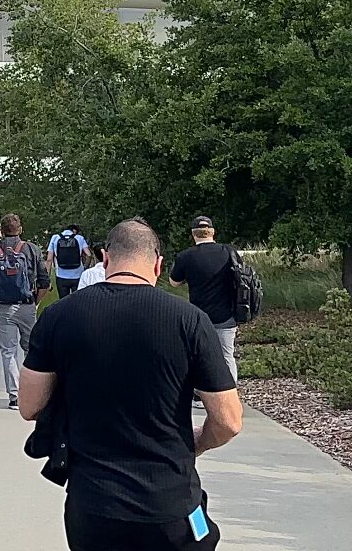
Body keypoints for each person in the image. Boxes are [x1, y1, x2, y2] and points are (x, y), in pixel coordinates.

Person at [19, 219, 242, 550]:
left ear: (105, 259)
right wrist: (196, 443)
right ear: (158, 264)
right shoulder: (190, 320)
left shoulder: (59, 316)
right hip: (170, 504)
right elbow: (228, 421)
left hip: (93, 504)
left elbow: (29, 406)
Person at [0, 212, 47, 409]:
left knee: (8, 352)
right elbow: (44, 281)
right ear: (21, 229)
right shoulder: (31, 249)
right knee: (31, 349)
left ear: (0, 230)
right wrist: (36, 302)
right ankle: (33, 393)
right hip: (27, 305)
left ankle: (14, 396)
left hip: (3, 307)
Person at [170, 216, 240, 388]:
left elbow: (174, 282)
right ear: (213, 232)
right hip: (227, 314)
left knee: (199, 357)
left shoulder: (186, 256)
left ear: (193, 234)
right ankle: (230, 394)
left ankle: (200, 396)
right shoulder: (228, 251)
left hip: (198, 316)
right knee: (226, 355)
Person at [47, 224, 89, 301]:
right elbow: (88, 255)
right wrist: (85, 267)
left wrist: (47, 278)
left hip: (61, 276)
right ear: (74, 231)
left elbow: (49, 260)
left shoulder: (55, 238)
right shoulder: (79, 238)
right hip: (77, 275)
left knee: (63, 301)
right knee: (78, 301)